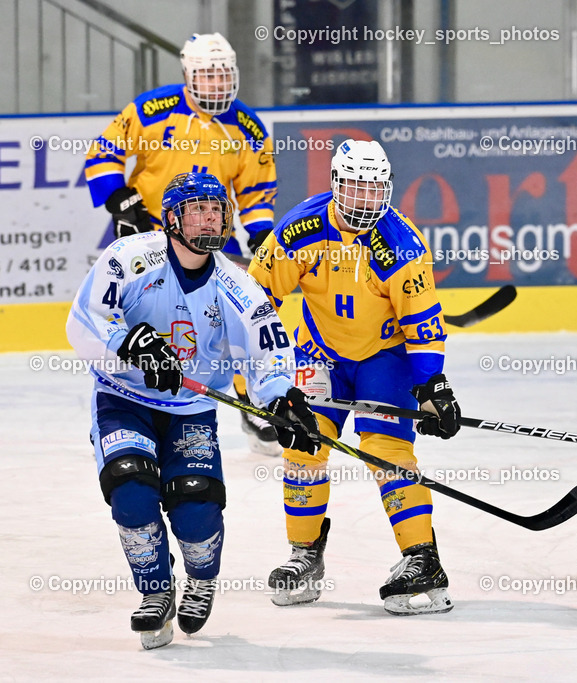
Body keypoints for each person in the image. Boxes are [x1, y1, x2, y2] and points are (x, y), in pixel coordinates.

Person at [66, 172, 319, 649]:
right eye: (198, 209)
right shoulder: (127, 258)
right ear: (172, 219)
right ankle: (156, 592)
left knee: (196, 505)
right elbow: (84, 322)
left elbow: (267, 355)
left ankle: (201, 578)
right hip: (125, 400)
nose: (210, 217)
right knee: (131, 489)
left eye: (217, 208)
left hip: (191, 408)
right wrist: (131, 347)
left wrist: (284, 401)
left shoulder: (238, 286)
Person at [248, 139, 462, 615]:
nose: (365, 200)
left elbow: (423, 323)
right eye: (355, 188)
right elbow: (254, 299)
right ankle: (304, 555)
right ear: (335, 185)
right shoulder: (299, 229)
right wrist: (257, 380)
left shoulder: (401, 246)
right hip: (319, 352)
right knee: (304, 444)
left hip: (384, 359)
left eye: (374, 189)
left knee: (385, 449)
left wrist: (432, 387)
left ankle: (421, 559)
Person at [84, 32, 282, 455]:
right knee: (145, 326)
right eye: (207, 76)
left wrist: (261, 233)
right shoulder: (152, 110)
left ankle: (251, 400)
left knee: (230, 321)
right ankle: (127, 402)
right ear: (188, 75)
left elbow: (256, 191)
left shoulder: (246, 127)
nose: (216, 84)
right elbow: (103, 152)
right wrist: (120, 200)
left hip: (205, 243)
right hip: (149, 236)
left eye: (223, 75)